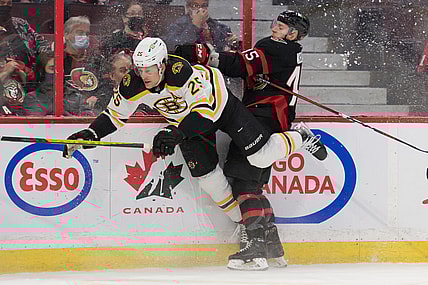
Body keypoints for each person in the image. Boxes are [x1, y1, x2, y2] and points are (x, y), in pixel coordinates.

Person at [62, 37, 327, 270]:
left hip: (222, 109)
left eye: (150, 69)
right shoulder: (132, 84)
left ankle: (300, 137)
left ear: (163, 65)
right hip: (187, 124)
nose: (145, 75)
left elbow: (207, 111)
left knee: (259, 156)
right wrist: (91, 134)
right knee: (208, 180)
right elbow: (115, 115)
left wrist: (176, 133)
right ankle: (252, 229)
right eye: (140, 69)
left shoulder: (182, 73)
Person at [174, 10, 311, 270]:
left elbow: (237, 64)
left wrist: (203, 55)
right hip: (275, 122)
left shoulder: (273, 48)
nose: (274, 29)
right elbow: (257, 68)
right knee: (253, 186)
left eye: (281, 27)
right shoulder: (290, 53)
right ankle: (273, 247)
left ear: (292, 34)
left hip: (259, 122)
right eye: (275, 24)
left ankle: (254, 250)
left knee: (242, 186)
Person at [0, 0, 50, 115]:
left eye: (9, 3)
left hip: (28, 83)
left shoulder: (20, 24)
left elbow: (41, 43)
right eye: (2, 3)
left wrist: (46, 57)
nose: (5, 7)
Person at [63, 16, 110, 115]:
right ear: (66, 35)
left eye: (87, 34)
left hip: (94, 110)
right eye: (80, 33)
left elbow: (107, 85)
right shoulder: (58, 59)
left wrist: (97, 97)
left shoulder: (97, 59)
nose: (84, 36)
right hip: (66, 110)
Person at [163, 0, 239, 53]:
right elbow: (173, 46)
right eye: (195, 5)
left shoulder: (219, 27)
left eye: (204, 6)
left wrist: (233, 43)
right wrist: (195, 25)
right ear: (188, 7)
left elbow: (225, 50)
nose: (200, 9)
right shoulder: (178, 25)